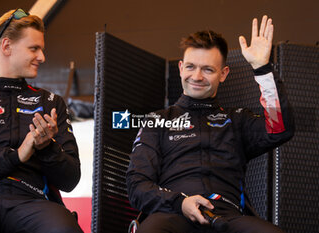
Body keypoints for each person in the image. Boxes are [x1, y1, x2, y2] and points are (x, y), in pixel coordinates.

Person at [126, 15, 294, 233]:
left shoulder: (237, 120)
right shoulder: (156, 121)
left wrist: (262, 68)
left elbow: (280, 130)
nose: (196, 76)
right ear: (180, 68)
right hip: (172, 212)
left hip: (227, 216)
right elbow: (137, 186)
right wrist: (179, 202)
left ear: (223, 74)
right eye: (190, 67)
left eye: (207, 69)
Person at [0, 9, 83, 233]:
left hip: (31, 199)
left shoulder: (50, 102)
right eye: (34, 48)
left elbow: (71, 180)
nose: (42, 57)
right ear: (7, 46)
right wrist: (16, 155)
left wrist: (47, 147)